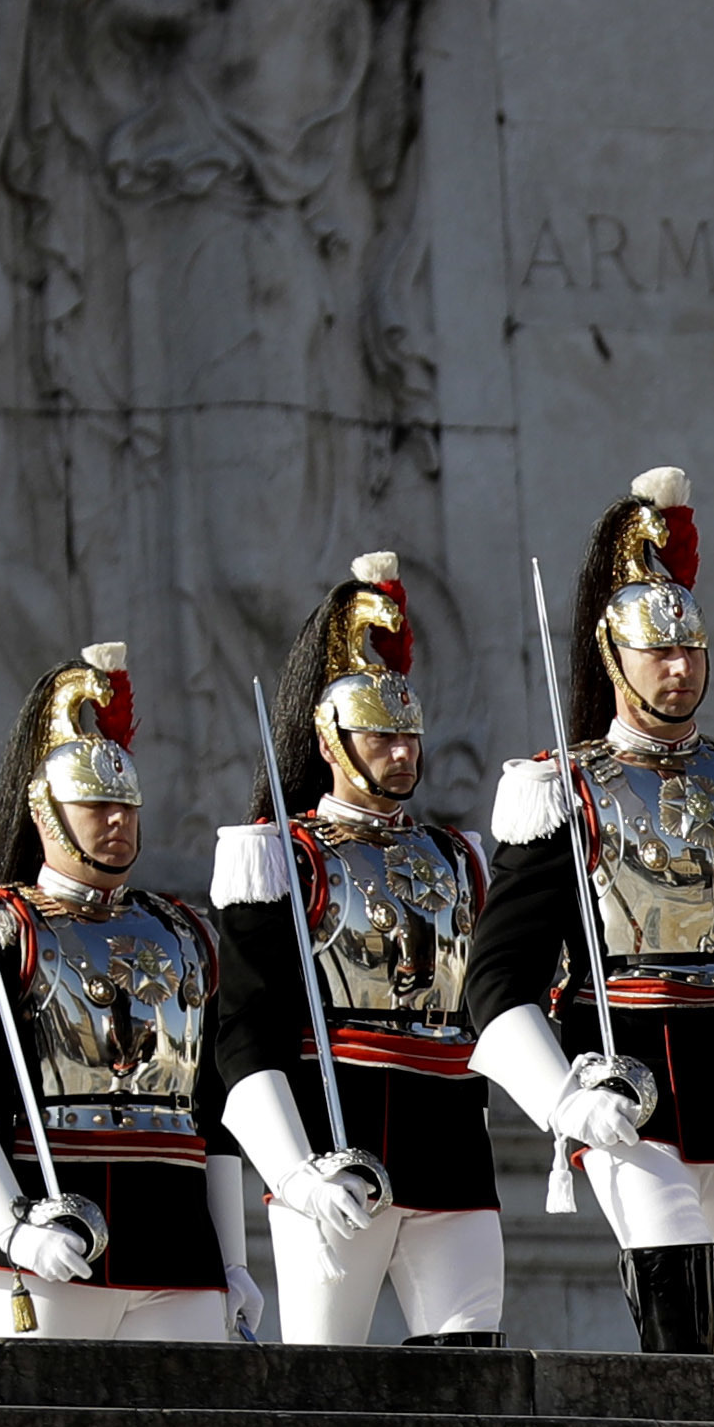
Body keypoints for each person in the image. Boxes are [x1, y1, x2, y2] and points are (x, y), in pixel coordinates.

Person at [467, 469, 714, 1354]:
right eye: (658, 651)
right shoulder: (563, 790)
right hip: (628, 1075)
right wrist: (561, 1098)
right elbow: (497, 982)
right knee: (675, 1281)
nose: (679, 665)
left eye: (691, 648)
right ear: (611, 657)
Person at [211, 553, 507, 1346]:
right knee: (327, 1376)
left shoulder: (458, 857)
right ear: (331, 737)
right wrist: (292, 1170)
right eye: (381, 735)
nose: (403, 751)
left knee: (472, 1359)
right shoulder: (282, 858)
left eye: (409, 733)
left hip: (451, 1147)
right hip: (335, 1143)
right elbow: (242, 1036)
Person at [0, 646, 247, 1342]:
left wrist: (236, 1260)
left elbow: (209, 1118)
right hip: (51, 1236)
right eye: (97, 805)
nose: (118, 820)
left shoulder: (183, 932)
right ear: (45, 812)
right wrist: (11, 1229)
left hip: (180, 1243)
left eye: (126, 804)